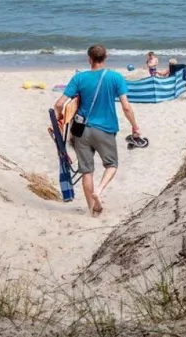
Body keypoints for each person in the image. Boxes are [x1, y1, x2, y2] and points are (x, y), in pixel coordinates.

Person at [53, 44, 141, 216]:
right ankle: (99, 191)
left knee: (87, 171)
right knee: (112, 164)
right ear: (106, 57)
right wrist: (134, 125)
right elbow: (126, 107)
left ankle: (93, 208)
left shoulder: (79, 78)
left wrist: (59, 122)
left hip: (81, 131)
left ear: (89, 59)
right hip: (105, 130)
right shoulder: (116, 77)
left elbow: (58, 104)